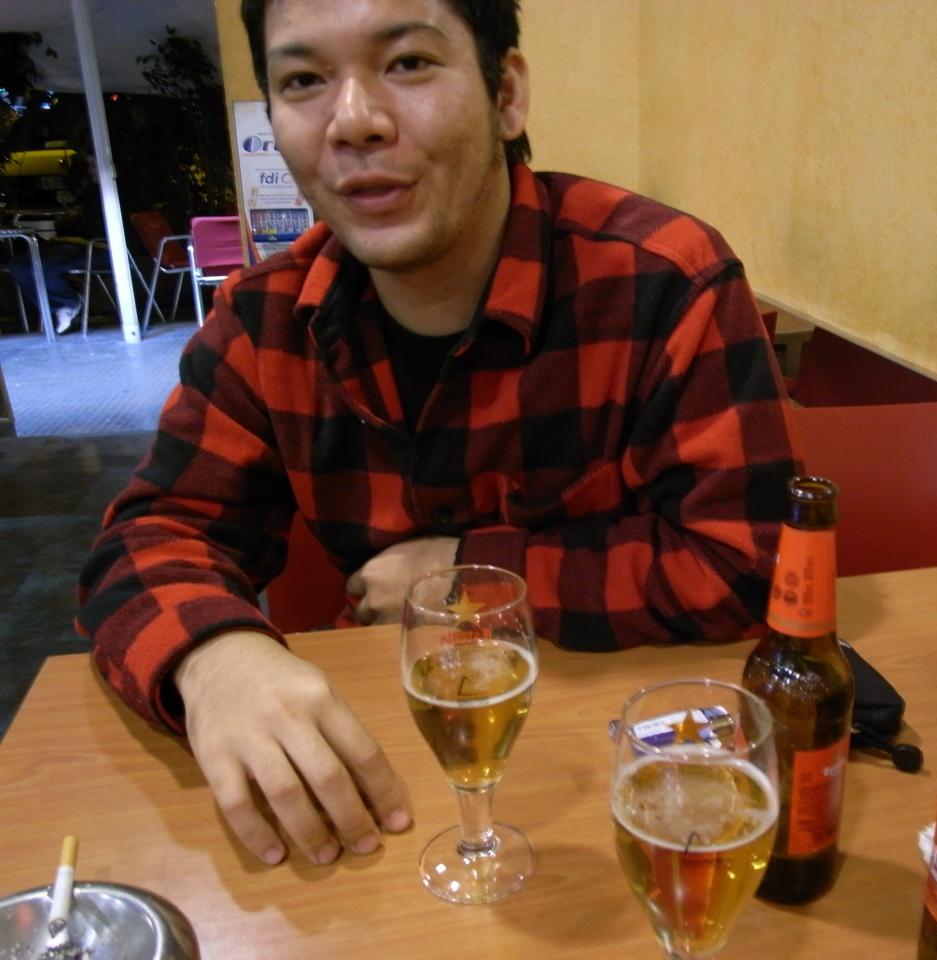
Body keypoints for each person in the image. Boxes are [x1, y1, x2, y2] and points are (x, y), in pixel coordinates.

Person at [77, 0, 798, 871]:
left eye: (409, 63)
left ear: (506, 94)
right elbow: (150, 535)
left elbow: (752, 562)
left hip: (621, 792)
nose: (354, 121)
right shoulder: (265, 321)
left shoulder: (663, 282)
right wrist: (215, 659)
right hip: (384, 800)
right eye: (304, 80)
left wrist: (472, 574)